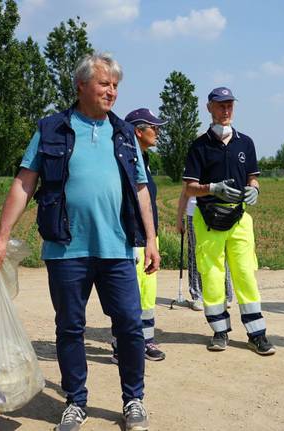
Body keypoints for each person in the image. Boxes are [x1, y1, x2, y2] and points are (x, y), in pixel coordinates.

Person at [0, 52, 158, 431]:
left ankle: (134, 400)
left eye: (115, 85)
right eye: (103, 84)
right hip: (66, 249)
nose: (111, 91)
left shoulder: (125, 134)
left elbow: (142, 188)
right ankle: (76, 402)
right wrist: (1, 238)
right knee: (69, 328)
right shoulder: (51, 130)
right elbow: (23, 184)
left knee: (129, 324)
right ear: (81, 86)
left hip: (116, 248)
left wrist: (151, 238)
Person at [182, 87, 275, 355]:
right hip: (208, 218)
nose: (226, 111)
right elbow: (189, 187)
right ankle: (219, 331)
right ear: (209, 107)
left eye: (230, 105)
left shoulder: (246, 142)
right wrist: (212, 188)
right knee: (212, 275)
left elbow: (253, 177)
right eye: (221, 105)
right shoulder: (199, 146)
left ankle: (257, 334)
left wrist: (255, 188)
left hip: (239, 217)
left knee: (245, 274)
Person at [108, 108, 168, 363]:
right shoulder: (124, 162)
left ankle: (146, 340)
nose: (158, 132)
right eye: (153, 127)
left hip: (147, 238)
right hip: (129, 237)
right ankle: (120, 345)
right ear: (137, 131)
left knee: (146, 292)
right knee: (126, 294)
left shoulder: (144, 160)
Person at [176, 184, 234, 311]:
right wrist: (179, 217)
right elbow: (186, 190)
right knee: (196, 254)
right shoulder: (192, 164)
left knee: (221, 253)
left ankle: (225, 295)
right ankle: (197, 296)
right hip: (194, 211)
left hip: (220, 210)